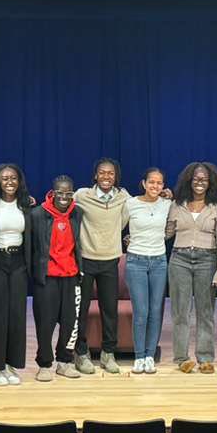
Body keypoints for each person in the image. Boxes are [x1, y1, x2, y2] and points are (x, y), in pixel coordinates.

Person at [72, 157, 130, 374]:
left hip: (110, 260)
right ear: (95, 175)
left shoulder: (123, 197)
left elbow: (127, 219)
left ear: (116, 177)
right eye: (102, 173)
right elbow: (61, 204)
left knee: (109, 310)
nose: (106, 177)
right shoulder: (82, 195)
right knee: (81, 310)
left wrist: (164, 194)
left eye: (111, 173)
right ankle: (81, 353)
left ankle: (108, 353)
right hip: (85, 260)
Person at [167, 162, 217, 374]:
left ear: (210, 183)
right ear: (188, 181)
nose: (199, 182)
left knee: (205, 311)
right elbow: (167, 233)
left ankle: (206, 358)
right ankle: (182, 358)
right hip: (179, 259)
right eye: (196, 179)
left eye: (204, 179)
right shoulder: (176, 204)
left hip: (207, 260)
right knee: (180, 312)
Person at [0, 163, 33, 387]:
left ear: (19, 181)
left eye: (13, 178)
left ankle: (12, 365)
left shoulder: (26, 205)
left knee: (17, 315)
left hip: (19, 262)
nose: (9, 182)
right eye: (4, 178)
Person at [30, 175, 84, 380]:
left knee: (70, 323)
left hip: (71, 276)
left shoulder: (77, 213)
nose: (64, 196)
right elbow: (30, 247)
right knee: (45, 323)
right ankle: (44, 364)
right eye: (60, 192)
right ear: (52, 193)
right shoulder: (37, 214)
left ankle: (65, 361)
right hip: (47, 277)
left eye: (68, 193)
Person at [124, 168, 173, 374]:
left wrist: (171, 195)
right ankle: (139, 356)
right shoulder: (131, 203)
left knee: (155, 311)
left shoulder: (168, 204)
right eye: (151, 182)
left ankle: (150, 356)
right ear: (143, 183)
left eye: (159, 183)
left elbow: (172, 227)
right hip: (136, 261)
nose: (155, 186)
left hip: (159, 262)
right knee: (141, 312)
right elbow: (114, 225)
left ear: (163, 186)